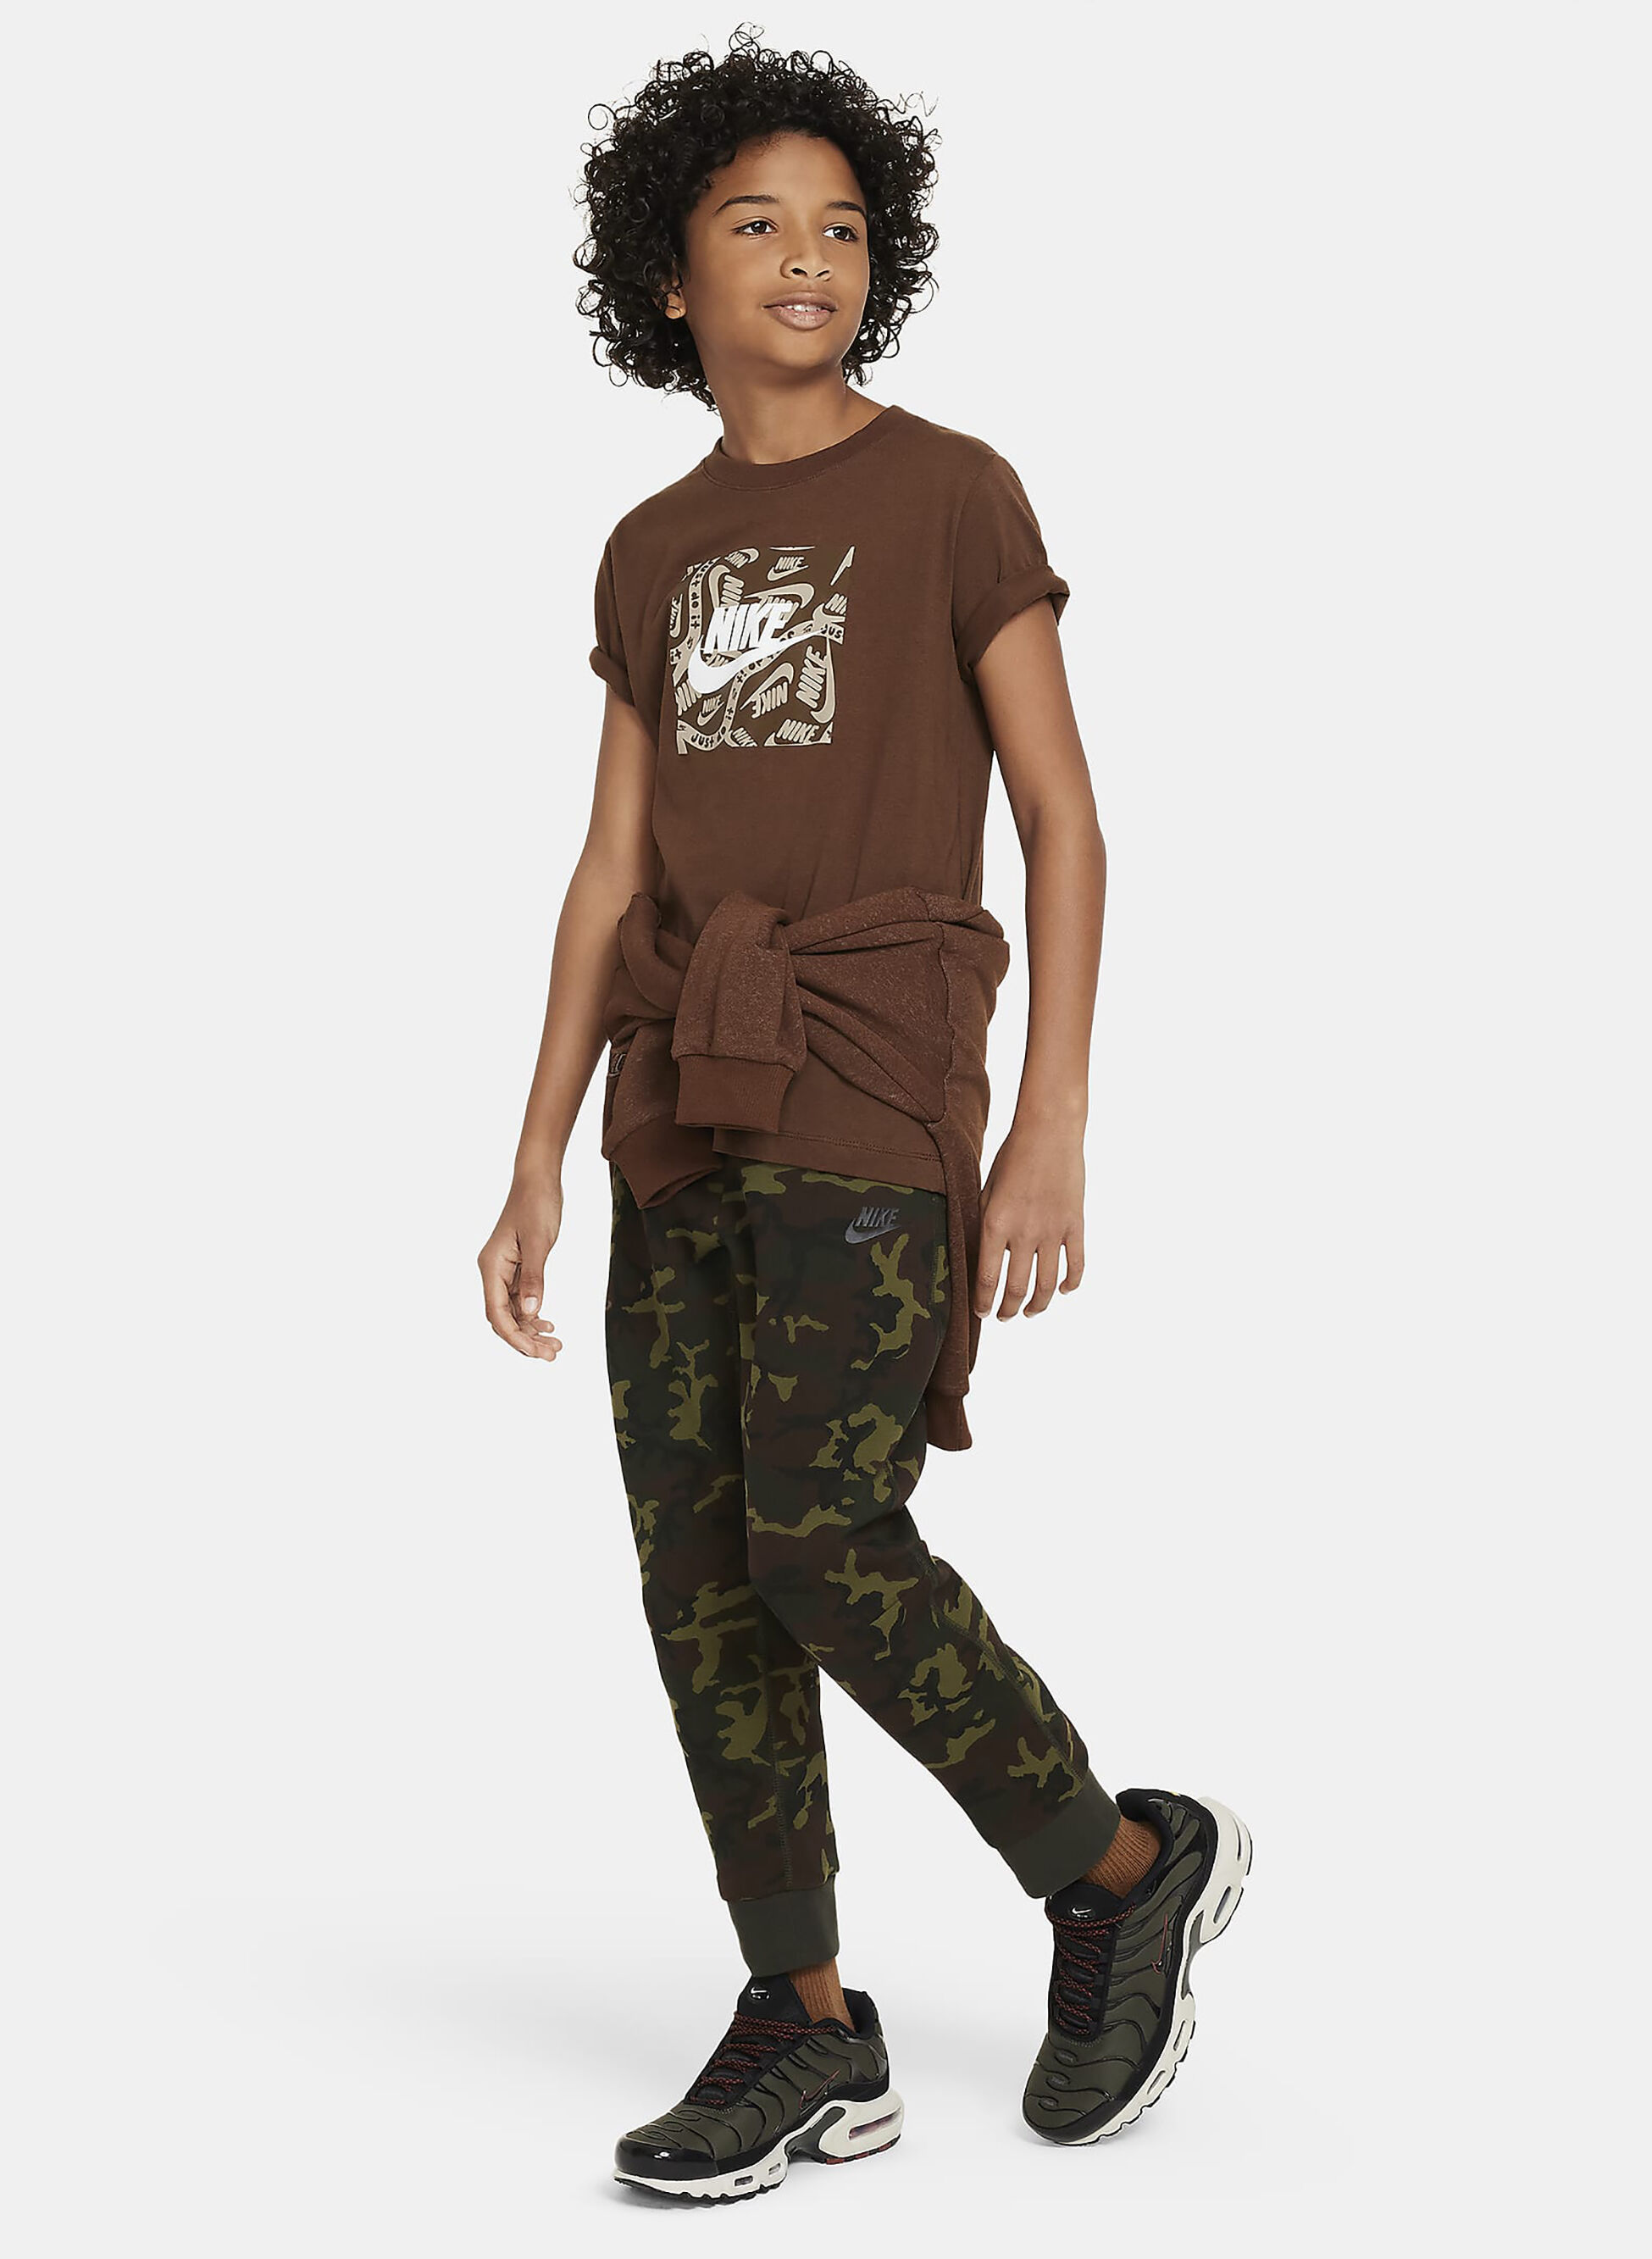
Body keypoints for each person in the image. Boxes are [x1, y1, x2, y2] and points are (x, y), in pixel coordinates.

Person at [478, 29, 1250, 2204]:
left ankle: (1115, 1867)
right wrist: (534, 1150)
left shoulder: (952, 493)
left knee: (824, 1533)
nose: (807, 256)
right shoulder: (649, 548)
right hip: (677, 1105)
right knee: (700, 1564)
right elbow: (608, 871)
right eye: (756, 223)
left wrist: (1051, 1115)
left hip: (869, 1071)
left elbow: (1065, 816)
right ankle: (806, 2020)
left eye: (840, 226)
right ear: (669, 279)